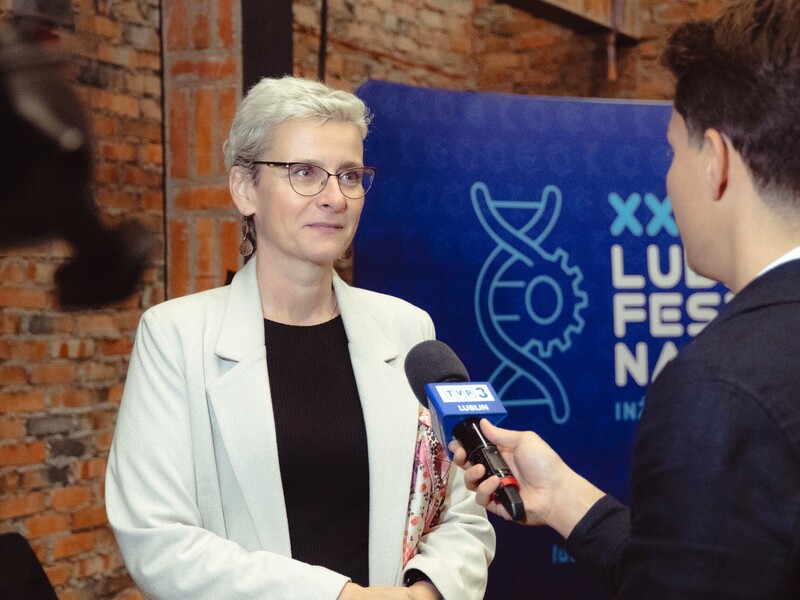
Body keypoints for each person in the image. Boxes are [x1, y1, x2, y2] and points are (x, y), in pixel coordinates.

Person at [451, 1, 800, 598]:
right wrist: (564, 498)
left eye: (674, 152)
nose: (667, 180)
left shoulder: (715, 392)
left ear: (716, 163)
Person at [105, 76, 495, 600]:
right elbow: (158, 541)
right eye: (305, 173)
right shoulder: (175, 337)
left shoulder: (408, 330)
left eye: (350, 176)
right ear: (245, 189)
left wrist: (426, 592)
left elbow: (462, 511)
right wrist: (343, 598)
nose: (335, 198)